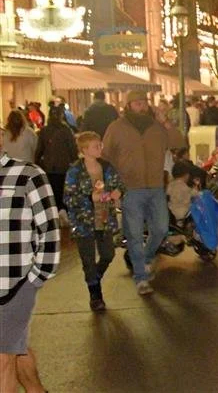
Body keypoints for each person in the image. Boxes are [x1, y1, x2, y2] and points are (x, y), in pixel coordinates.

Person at [102, 90, 185, 296]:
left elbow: (179, 143)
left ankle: (147, 258)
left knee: (161, 229)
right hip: (129, 189)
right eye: (137, 103)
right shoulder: (116, 128)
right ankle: (141, 277)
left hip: (155, 187)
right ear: (128, 105)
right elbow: (106, 156)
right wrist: (112, 185)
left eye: (143, 103)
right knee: (134, 234)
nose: (141, 106)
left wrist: (165, 122)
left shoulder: (157, 127)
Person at [0, 129, 60, 393]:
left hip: (15, 283)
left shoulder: (27, 174)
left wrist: (36, 277)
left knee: (2, 357)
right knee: (16, 348)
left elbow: (49, 228)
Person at [63, 132, 124, 312]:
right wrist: (90, 198)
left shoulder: (106, 167)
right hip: (84, 222)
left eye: (100, 145)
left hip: (104, 218)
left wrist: (118, 192)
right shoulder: (75, 171)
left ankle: (94, 277)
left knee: (108, 254)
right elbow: (68, 197)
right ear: (84, 150)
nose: (100, 149)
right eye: (96, 146)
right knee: (88, 259)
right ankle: (95, 295)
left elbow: (119, 184)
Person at [35, 105, 78, 214]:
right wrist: (76, 162)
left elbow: (39, 150)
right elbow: (72, 149)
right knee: (63, 192)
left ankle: (54, 213)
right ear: (61, 116)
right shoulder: (66, 130)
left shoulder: (44, 131)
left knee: (52, 193)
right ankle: (63, 213)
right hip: (64, 167)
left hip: (49, 167)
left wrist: (37, 163)